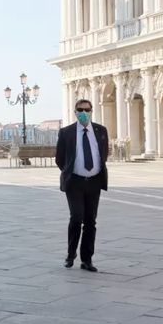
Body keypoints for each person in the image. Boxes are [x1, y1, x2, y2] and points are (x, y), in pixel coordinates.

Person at [55, 99, 109, 272]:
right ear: (75, 112)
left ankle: (87, 259)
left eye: (87, 109)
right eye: (80, 110)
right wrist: (70, 171)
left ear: (92, 111)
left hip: (94, 181)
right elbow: (60, 158)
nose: (84, 113)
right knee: (76, 218)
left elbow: (104, 153)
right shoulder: (66, 132)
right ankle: (71, 254)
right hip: (75, 182)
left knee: (90, 221)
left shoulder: (101, 131)